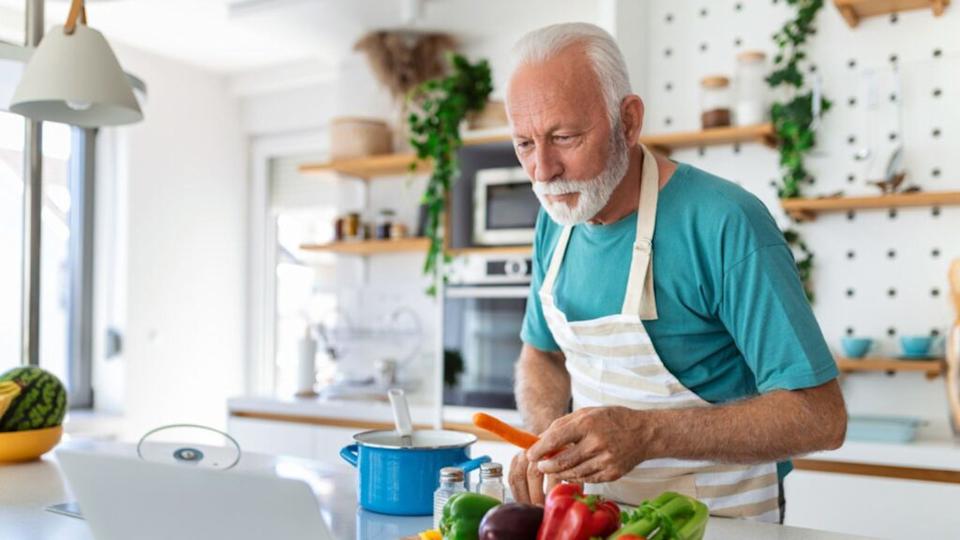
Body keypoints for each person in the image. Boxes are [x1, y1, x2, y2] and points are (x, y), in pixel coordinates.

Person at [505, 22, 846, 524]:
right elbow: (541, 356)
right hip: (592, 522)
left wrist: (647, 435)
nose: (542, 170)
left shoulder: (724, 221)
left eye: (564, 137)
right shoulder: (558, 219)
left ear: (628, 121)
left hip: (719, 522)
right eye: (525, 144)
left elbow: (820, 417)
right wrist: (547, 441)